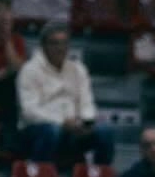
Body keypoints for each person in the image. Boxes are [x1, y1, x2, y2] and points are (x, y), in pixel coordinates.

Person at [16, 23, 113, 164]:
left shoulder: (78, 69)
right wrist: (62, 122)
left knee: (105, 132)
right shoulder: (29, 70)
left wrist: (84, 122)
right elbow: (29, 112)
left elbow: (87, 103)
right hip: (39, 128)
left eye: (64, 43)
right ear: (43, 46)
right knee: (52, 131)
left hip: (74, 128)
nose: (60, 49)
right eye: (54, 43)